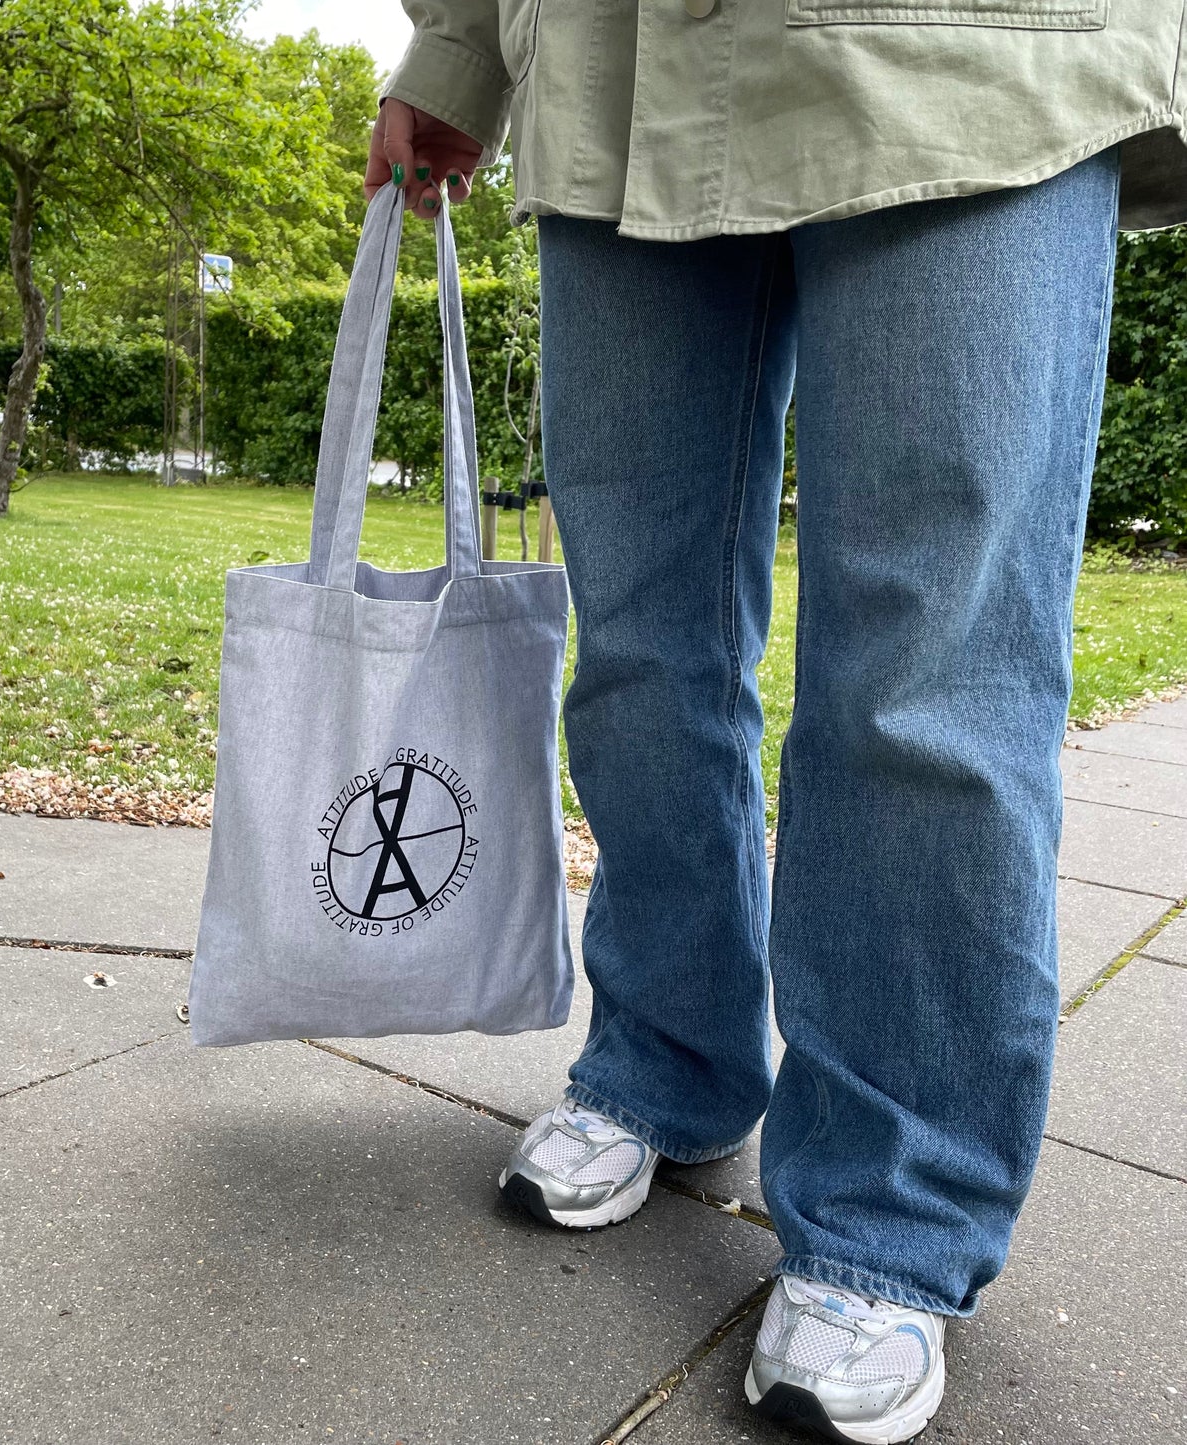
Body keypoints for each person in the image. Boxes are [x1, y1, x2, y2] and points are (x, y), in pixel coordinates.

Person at [364, 5, 1187, 1441]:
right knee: (636, 640)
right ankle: (663, 1057)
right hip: (610, 65)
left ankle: (892, 1201)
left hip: (972, 53)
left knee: (930, 674)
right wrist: (455, 57)